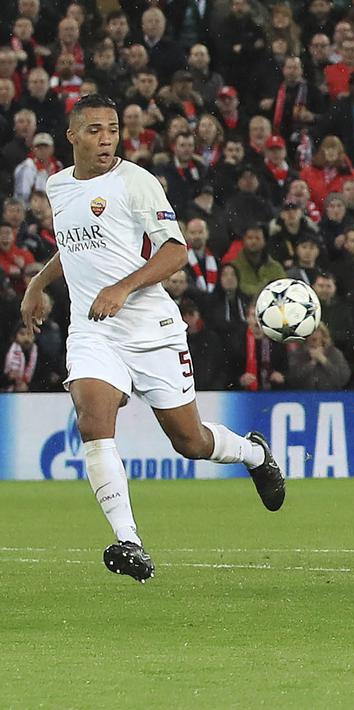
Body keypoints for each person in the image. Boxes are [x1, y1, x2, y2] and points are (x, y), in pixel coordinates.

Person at [20, 95, 285, 582]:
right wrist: (39, 283)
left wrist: (122, 287)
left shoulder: (135, 183)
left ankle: (253, 454)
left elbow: (176, 251)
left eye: (113, 129)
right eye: (95, 129)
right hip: (93, 329)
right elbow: (74, 247)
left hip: (151, 328)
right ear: (72, 136)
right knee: (92, 418)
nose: (106, 138)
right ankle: (129, 541)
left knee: (190, 440)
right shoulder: (59, 186)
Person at [286, 324, 351, 390]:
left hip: (331, 395)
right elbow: (292, 379)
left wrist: (323, 360)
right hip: (304, 395)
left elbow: (343, 378)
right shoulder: (298, 354)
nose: (313, 334)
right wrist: (312, 363)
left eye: (316, 331)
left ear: (323, 335)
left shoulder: (334, 353)